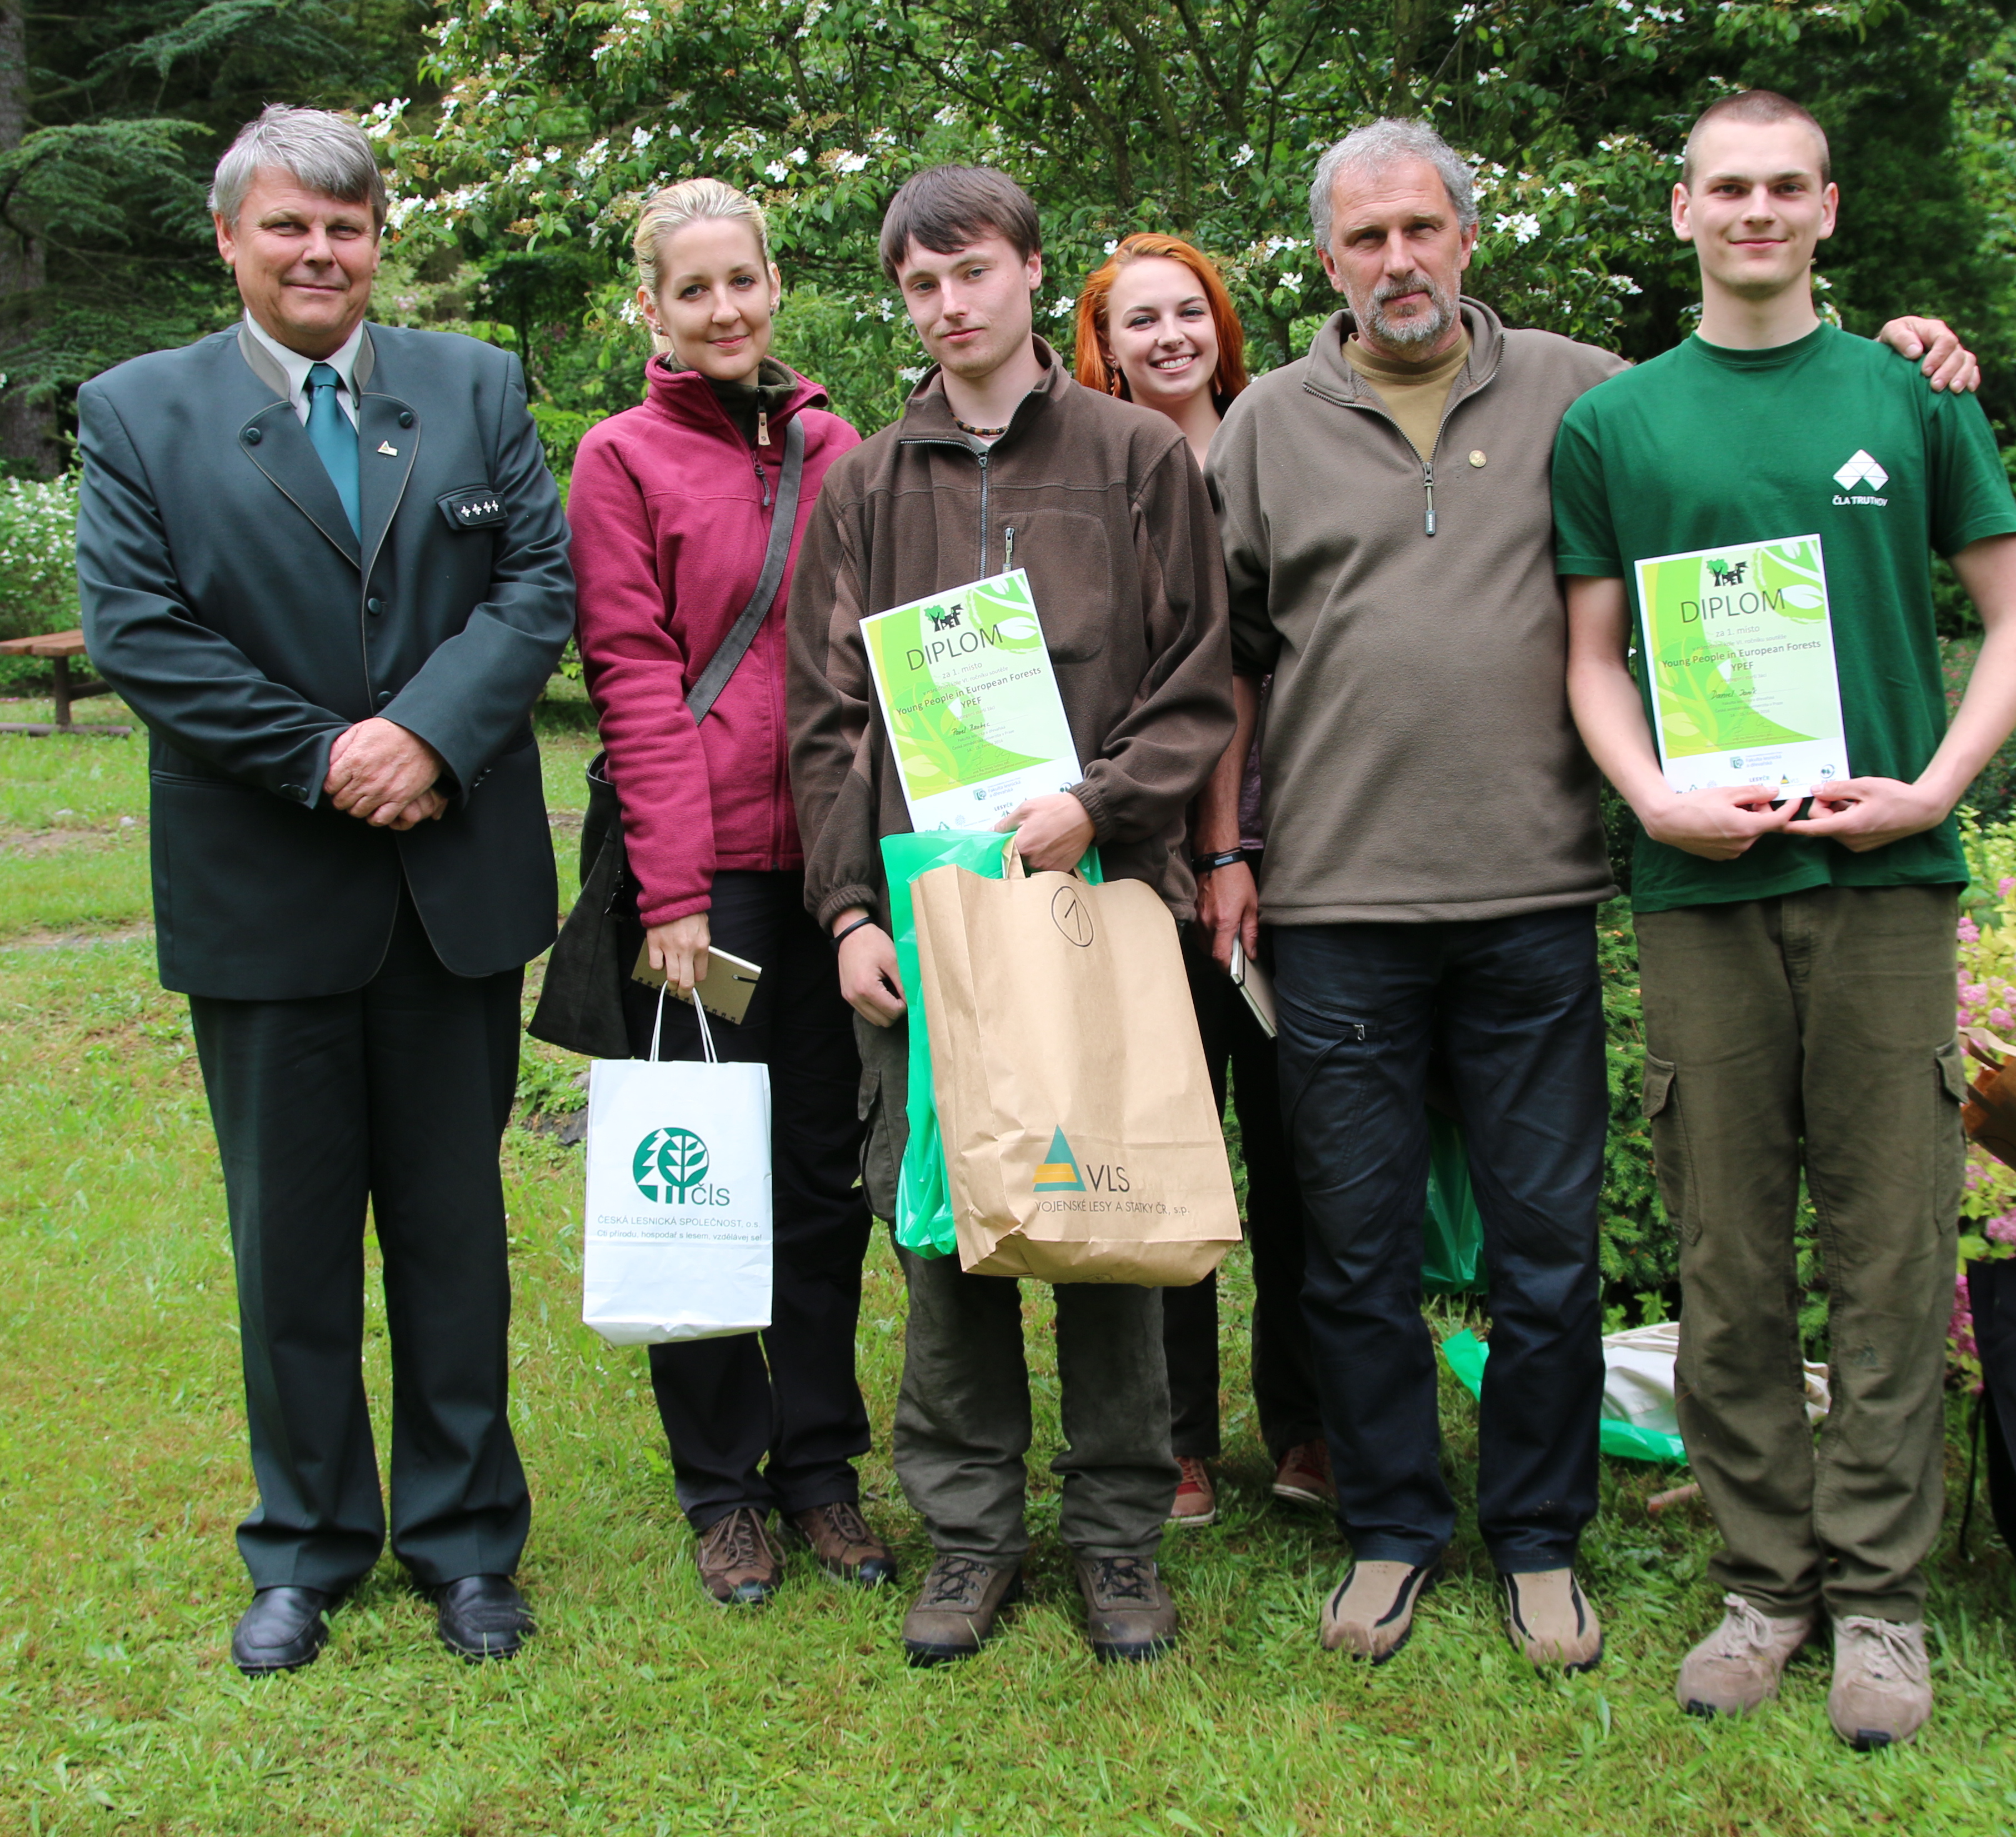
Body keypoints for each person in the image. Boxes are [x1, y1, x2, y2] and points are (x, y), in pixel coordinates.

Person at [1202, 115, 1983, 1675]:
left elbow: (1752, 382)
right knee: (1351, 1251)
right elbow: (1229, 662)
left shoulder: (1584, 392)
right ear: (1327, 259)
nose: (1397, 260)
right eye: (1364, 239)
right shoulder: (1266, 426)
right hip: (1338, 903)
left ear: (1466, 237)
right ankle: (1390, 1530)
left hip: (1535, 896)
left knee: (1545, 1252)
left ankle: (1542, 1539)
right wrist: (1225, 850)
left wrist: (1914, 344)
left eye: (1421, 227)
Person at [1556, 90, 2016, 1747]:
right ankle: (1763, 1586)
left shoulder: (1901, 395)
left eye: (1784, 187)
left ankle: (1882, 1606)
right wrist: (1648, 799)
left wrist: (1936, 787)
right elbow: (1586, 657)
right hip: (1701, 885)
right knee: (1725, 1253)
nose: (1754, 211)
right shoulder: (1617, 423)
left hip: (1884, 884)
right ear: (1682, 210)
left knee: (1892, 1247)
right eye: (1726, 188)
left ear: (1826, 210)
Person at [74, 106, 574, 1673]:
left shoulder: (474, 386)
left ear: (379, 242)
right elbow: (142, 633)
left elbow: (534, 587)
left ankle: (467, 1542)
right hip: (265, 889)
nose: (319, 253)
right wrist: (329, 755)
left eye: (346, 228)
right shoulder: (139, 413)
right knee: (287, 1244)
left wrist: (425, 733)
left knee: (451, 1231)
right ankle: (304, 1545)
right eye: (288, 227)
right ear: (230, 241)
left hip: (452, 889)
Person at [785, 165, 1234, 1666]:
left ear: (1034, 275)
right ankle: (969, 1534)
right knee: (944, 1227)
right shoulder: (864, 483)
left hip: (1096, 900)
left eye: (970, 270)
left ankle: (1116, 1537)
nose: (947, 303)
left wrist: (1100, 806)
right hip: (928, 925)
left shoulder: (1129, 458)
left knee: (1102, 1211)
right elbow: (832, 719)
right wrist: (850, 910)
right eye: (918, 284)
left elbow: (1195, 681)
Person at [567, 178, 892, 1608]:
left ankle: (820, 1469)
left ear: (775, 286)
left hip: (827, 871)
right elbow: (633, 680)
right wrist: (672, 891)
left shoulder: (839, 448)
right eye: (691, 290)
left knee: (819, 1185)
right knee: (693, 1178)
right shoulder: (619, 459)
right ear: (652, 307)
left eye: (741, 283)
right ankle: (722, 1487)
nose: (722, 311)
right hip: (693, 886)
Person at [1072, 235, 1332, 1526]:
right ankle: (1171, 1436)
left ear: (1221, 326)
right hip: (1142, 862)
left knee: (1299, 1155)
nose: (1168, 337)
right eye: (1139, 321)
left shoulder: (1287, 436)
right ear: (1101, 344)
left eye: (1189, 313)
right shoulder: (1095, 471)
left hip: (1308, 850)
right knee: (1164, 1148)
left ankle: (1306, 1424)